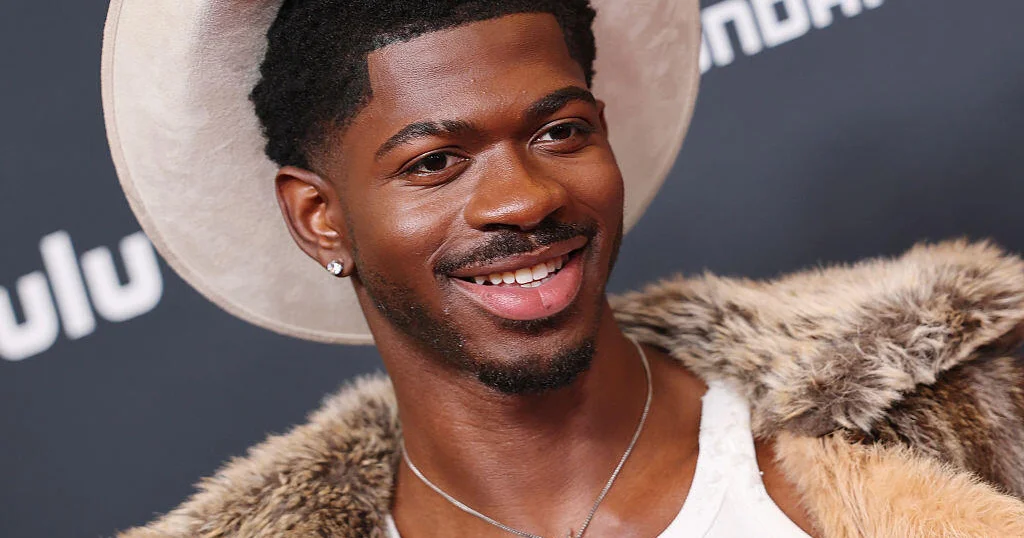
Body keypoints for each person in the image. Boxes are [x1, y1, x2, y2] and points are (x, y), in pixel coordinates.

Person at [102, 0, 1024, 536]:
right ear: (321, 218)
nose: (524, 199)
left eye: (560, 132)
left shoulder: (945, 418)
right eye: (435, 162)